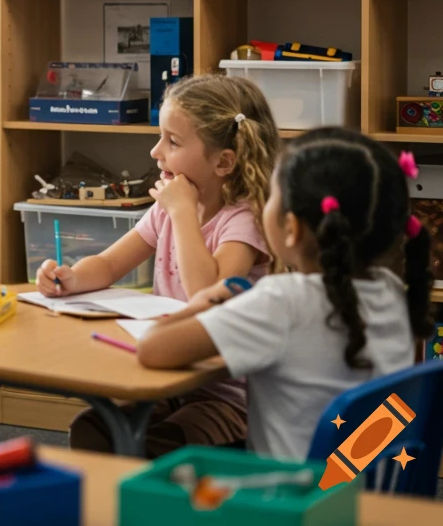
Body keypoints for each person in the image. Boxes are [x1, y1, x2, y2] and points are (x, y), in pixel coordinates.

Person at [138, 128, 434, 461]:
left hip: (288, 497)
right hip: (362, 488)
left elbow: (152, 350)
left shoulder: (281, 300)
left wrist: (205, 303)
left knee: (149, 447)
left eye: (271, 196)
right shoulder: (393, 291)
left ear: (291, 229)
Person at [36, 74, 278, 456]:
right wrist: (69, 278)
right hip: (169, 376)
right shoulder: (168, 209)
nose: (155, 152)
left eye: (173, 141)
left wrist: (182, 213)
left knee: (159, 444)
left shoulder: (243, 220)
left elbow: (206, 293)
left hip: (227, 396)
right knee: (94, 428)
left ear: (223, 161)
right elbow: (110, 263)